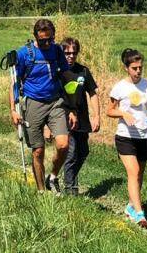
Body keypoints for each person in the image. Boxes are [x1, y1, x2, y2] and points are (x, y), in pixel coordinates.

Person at [7, 18, 75, 193]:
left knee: (63, 144)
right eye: (42, 40)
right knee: (38, 151)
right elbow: (14, 83)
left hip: (55, 102)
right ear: (35, 37)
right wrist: (13, 110)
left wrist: (73, 104)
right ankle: (41, 191)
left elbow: (65, 73)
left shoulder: (57, 51)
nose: (46, 43)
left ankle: (52, 176)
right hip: (33, 103)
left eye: (50, 40)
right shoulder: (25, 54)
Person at [107, 48, 147, 229]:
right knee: (133, 171)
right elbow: (110, 110)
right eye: (134, 68)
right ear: (126, 68)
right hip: (125, 136)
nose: (138, 71)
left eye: (140, 67)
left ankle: (131, 206)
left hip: (144, 135)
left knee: (139, 173)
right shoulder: (120, 87)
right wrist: (123, 114)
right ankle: (140, 215)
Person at [59, 37, 100, 195]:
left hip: (82, 118)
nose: (70, 56)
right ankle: (71, 189)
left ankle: (65, 178)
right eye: (67, 53)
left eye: (74, 53)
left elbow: (93, 93)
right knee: (72, 151)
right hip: (64, 117)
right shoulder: (58, 72)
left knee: (83, 152)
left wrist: (96, 116)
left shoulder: (83, 71)